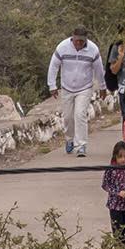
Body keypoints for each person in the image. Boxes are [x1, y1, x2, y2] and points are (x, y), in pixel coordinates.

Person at [47, 29, 107, 158]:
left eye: (81, 40)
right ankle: (69, 139)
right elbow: (53, 66)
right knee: (68, 117)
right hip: (66, 87)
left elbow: (99, 70)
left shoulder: (93, 49)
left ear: (86, 39)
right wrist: (52, 85)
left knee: (80, 114)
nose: (78, 43)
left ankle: (81, 145)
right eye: (76, 40)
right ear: (72, 38)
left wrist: (102, 86)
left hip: (84, 87)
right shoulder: (62, 47)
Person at [101, 141, 125, 245]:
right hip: (115, 206)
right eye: (120, 156)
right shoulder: (110, 169)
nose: (123, 160)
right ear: (115, 156)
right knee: (118, 233)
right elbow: (105, 185)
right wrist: (117, 192)